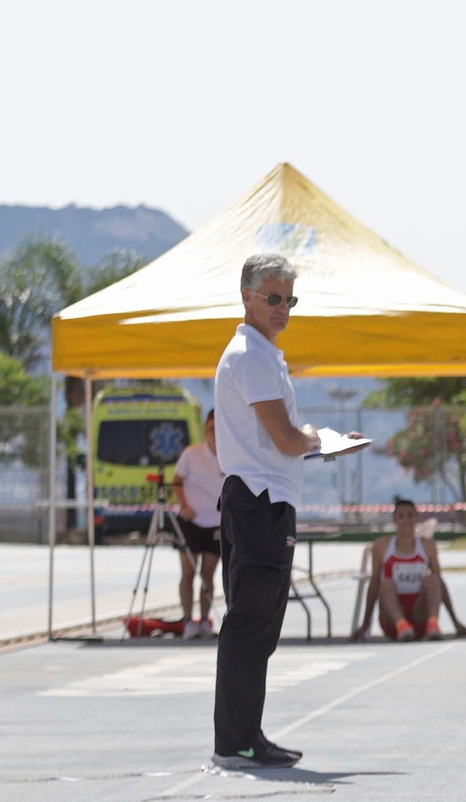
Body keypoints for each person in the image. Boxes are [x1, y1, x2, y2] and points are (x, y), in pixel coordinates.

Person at [211, 253, 367, 769]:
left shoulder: (259, 354)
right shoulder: (253, 356)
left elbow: (279, 439)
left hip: (258, 498)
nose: (282, 308)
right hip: (260, 501)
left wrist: (320, 443)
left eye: (289, 299)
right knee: (252, 623)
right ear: (247, 297)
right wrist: (320, 439)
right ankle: (237, 742)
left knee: (256, 624)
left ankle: (244, 736)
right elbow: (283, 439)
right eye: (273, 298)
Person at [351, 498, 466, 642]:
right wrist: (365, 624)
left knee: (432, 578)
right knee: (386, 583)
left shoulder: (427, 546)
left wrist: (455, 622)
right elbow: (374, 583)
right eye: (400, 516)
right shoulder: (382, 546)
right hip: (391, 619)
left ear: (416, 519)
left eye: (409, 516)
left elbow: (439, 584)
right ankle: (401, 624)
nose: (405, 521)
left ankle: (432, 623)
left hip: (419, 614)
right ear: (394, 520)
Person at [172, 410, 225, 639]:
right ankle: (187, 619)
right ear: (205, 431)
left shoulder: (230, 456)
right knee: (188, 572)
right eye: (211, 429)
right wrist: (184, 506)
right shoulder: (191, 454)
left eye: (218, 429)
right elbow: (176, 482)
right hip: (190, 521)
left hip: (216, 522)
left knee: (208, 574)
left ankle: (204, 620)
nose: (214, 434)